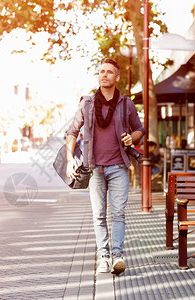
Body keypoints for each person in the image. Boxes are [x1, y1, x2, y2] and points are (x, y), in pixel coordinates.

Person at [65, 59, 146, 275]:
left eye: (109, 72)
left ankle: (118, 255)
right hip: (94, 168)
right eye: (101, 71)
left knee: (118, 213)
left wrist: (132, 138)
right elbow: (72, 131)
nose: (104, 75)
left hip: (119, 166)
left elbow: (139, 129)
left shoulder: (126, 104)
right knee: (98, 215)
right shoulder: (88, 104)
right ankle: (103, 256)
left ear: (117, 77)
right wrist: (70, 158)